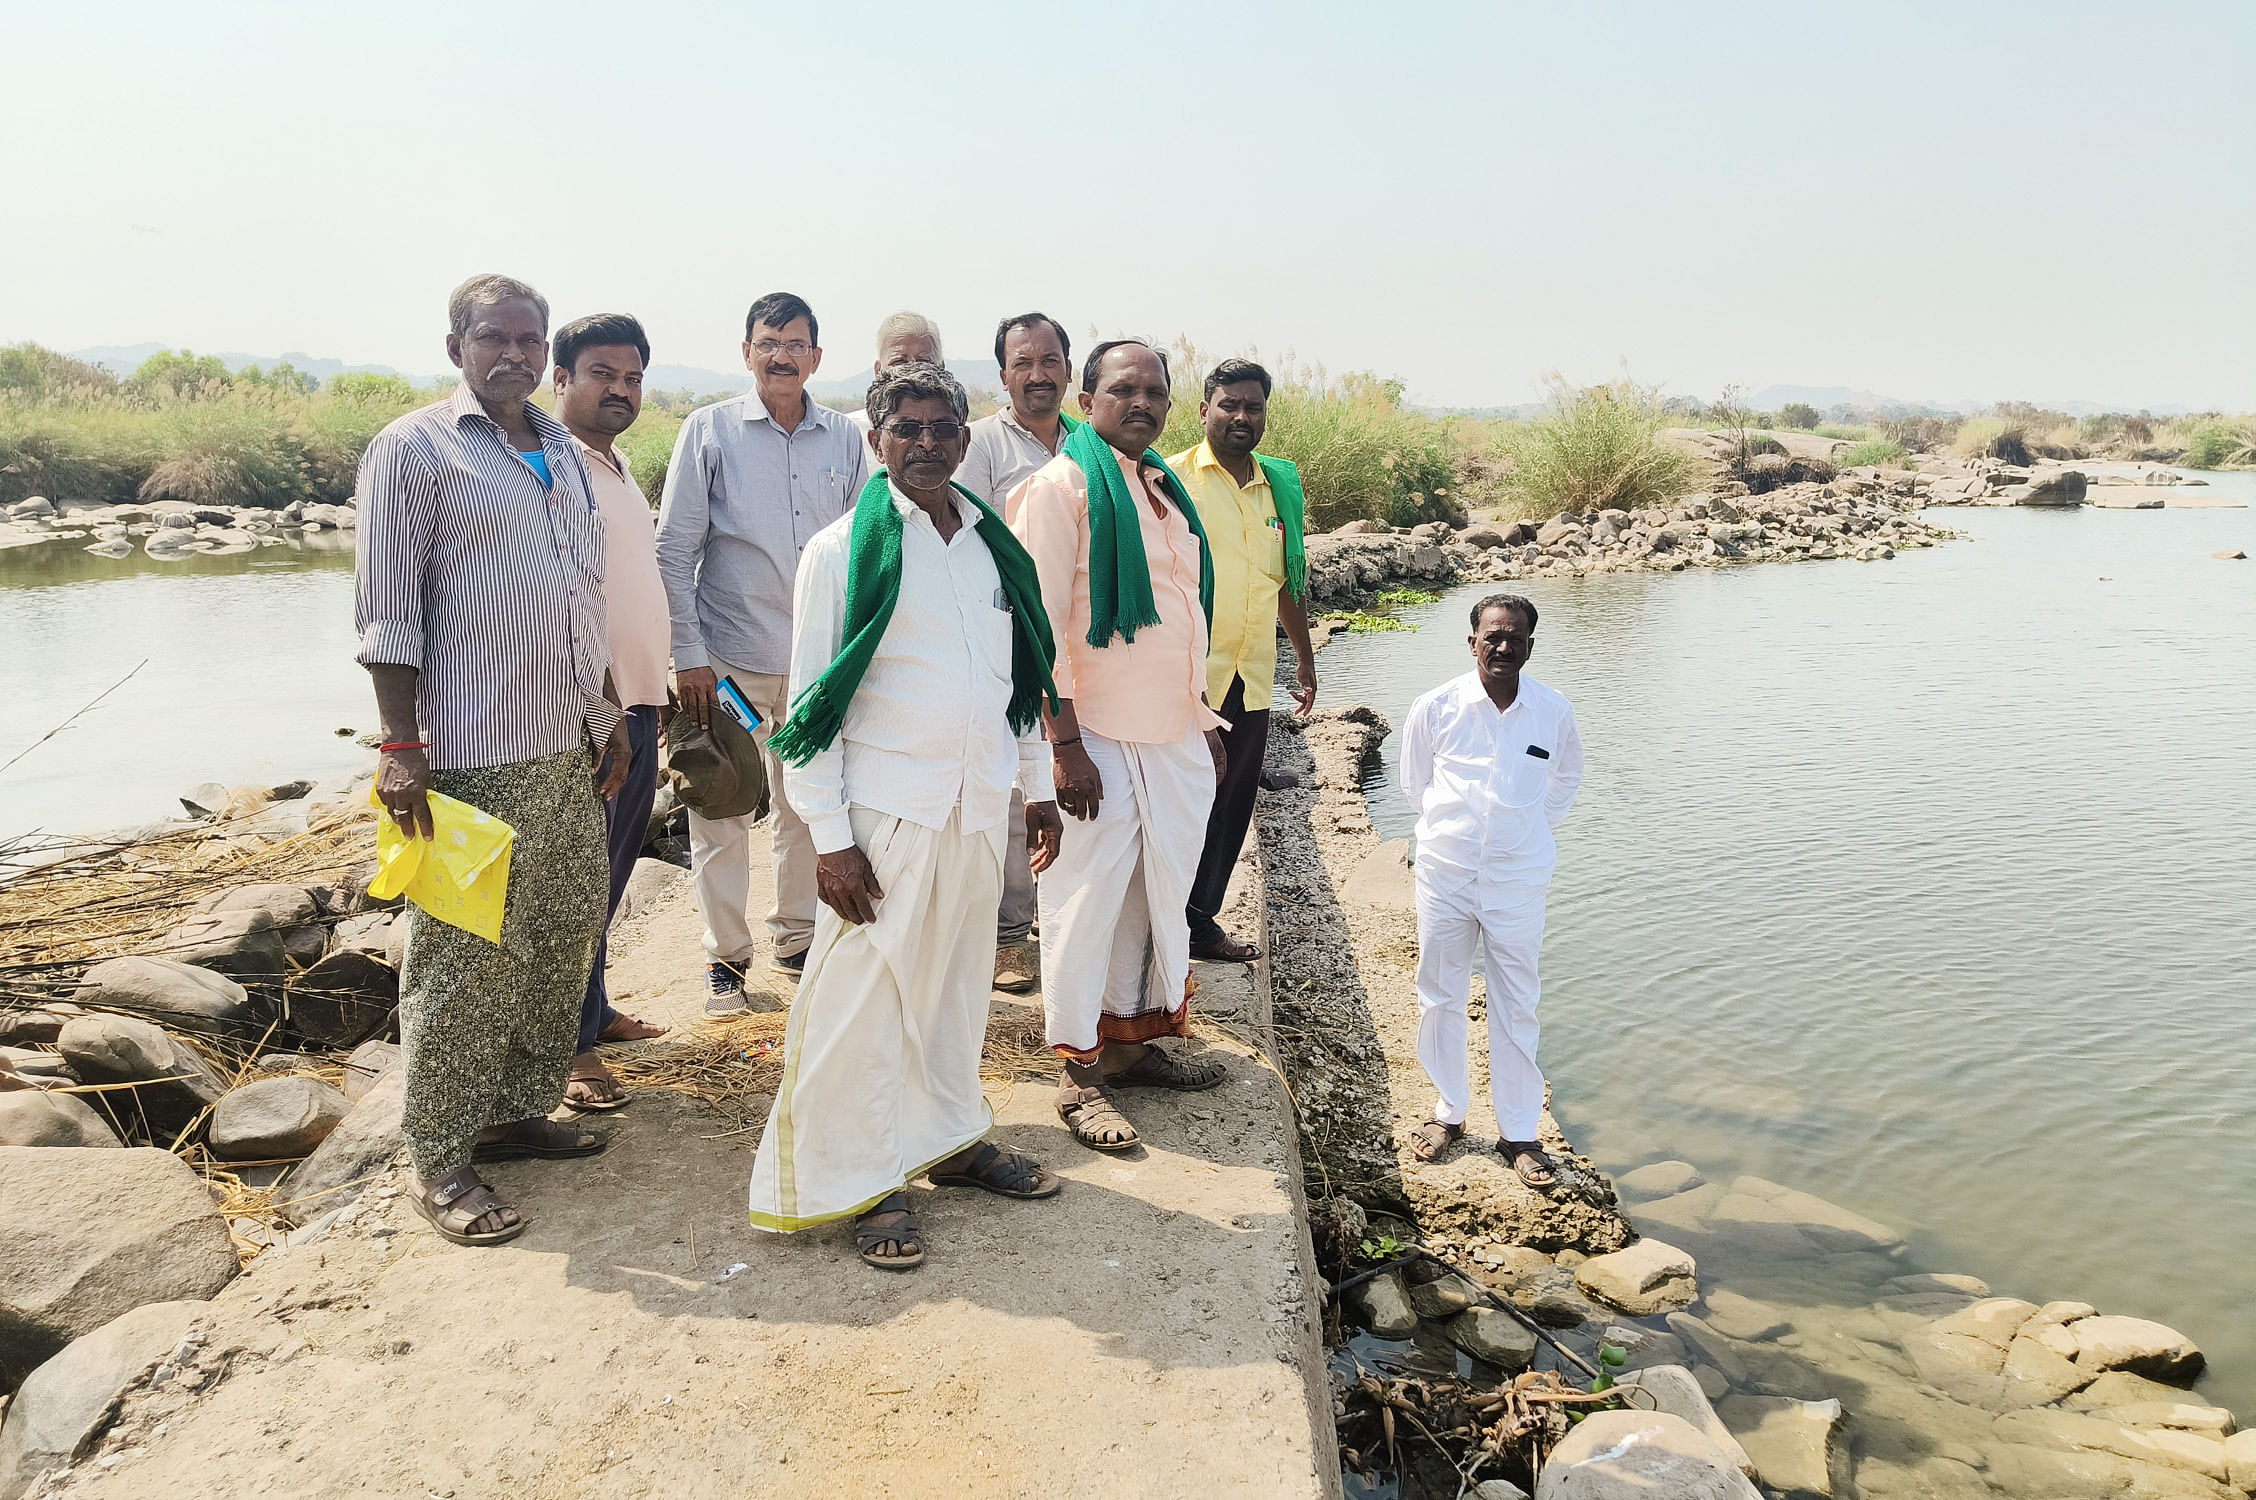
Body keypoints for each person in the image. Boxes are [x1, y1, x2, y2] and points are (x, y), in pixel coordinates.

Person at [750, 362, 1066, 1269]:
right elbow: (809, 710)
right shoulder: (841, 552)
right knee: (861, 1007)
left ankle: (951, 1142)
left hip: (972, 808)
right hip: (884, 818)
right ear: (877, 440)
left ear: (966, 440)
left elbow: (1020, 681)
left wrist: (1035, 784)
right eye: (907, 428)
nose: (927, 443)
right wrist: (831, 843)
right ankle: (866, 1181)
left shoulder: (990, 544)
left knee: (955, 991)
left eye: (943, 428)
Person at [354, 273, 632, 1247]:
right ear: (457, 346)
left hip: (565, 743)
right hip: (466, 757)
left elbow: (578, 595)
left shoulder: (558, 446)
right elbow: (388, 607)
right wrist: (399, 744)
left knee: (557, 939)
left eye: (529, 337)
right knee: (463, 963)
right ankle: (438, 1157)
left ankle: (514, 1113)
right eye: (494, 337)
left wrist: (609, 713)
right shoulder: (416, 450)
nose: (513, 352)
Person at [1008, 339, 1231, 1154]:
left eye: (1155, 392)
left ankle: (1133, 1043)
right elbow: (1036, 628)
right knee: (1084, 898)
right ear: (1087, 397)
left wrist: (1201, 720)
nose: (1141, 403)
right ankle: (1077, 1072)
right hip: (1094, 732)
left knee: (1152, 890)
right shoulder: (1060, 489)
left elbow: (1184, 615)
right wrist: (1064, 748)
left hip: (1168, 727)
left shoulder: (1164, 489)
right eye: (1123, 389)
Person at [656, 292, 868, 1012]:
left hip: (817, 668)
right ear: (746, 351)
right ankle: (726, 960)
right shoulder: (708, 431)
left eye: (796, 342)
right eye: (768, 341)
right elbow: (675, 549)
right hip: (730, 666)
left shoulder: (845, 438)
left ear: (816, 356)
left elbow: (869, 548)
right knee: (719, 807)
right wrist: (688, 656)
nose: (782, 355)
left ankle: (797, 937)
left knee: (807, 807)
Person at [1397, 595, 1584, 1187]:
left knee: (1517, 1000)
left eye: (1516, 636)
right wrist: (1459, 835)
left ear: (1532, 643)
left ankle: (1520, 1131)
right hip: (1446, 874)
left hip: (1519, 878)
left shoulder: (1552, 711)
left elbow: (1566, 780)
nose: (1504, 646)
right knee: (1440, 993)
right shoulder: (1436, 706)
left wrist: (1520, 833)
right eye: (1493, 636)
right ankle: (1448, 1112)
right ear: (1472, 641)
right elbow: (1414, 785)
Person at [548, 312, 671, 1111]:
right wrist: (602, 710)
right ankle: (572, 1048)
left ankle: (591, 1009)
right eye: (602, 374)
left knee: (612, 871)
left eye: (631, 378)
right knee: (580, 879)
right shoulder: (548, 466)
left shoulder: (615, 463)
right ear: (561, 378)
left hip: (638, 702)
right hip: (591, 712)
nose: (619, 389)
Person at [1167, 359, 1318, 963]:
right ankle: (1156, 919)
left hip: (1251, 673)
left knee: (1232, 804)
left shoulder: (1277, 485)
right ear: (1204, 410)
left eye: (1253, 407)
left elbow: (1289, 581)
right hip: (1186, 676)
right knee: (1179, 797)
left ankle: (1199, 922)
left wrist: (1302, 661)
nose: (1240, 417)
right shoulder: (1169, 477)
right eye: (1228, 405)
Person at [960, 312, 1075, 995]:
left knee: (1065, 775)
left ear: (1068, 367)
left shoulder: (1086, 445)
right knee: (1015, 789)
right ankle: (1008, 939)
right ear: (1003, 375)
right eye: (1023, 363)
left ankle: (1055, 922)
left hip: (1072, 641)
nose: (1038, 374)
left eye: (1050, 360)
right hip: (1002, 637)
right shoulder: (979, 446)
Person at [843, 311, 944, 442]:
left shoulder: (956, 434)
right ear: (879, 371)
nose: (911, 371)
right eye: (899, 363)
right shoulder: (848, 433)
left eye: (923, 362)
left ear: (941, 370)